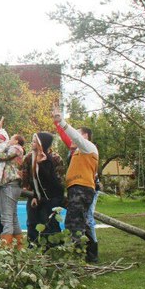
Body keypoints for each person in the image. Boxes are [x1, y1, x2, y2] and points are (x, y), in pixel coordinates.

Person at [52, 106, 99, 264]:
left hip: (82, 189)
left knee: (73, 223)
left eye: (76, 134)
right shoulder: (78, 151)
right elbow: (68, 138)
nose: (72, 138)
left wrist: (63, 122)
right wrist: (57, 124)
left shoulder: (88, 148)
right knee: (82, 222)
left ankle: (76, 257)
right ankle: (91, 255)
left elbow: (75, 138)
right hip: (77, 189)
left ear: (85, 136)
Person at [0, 119, 25, 247]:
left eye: (12, 138)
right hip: (11, 185)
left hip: (10, 185)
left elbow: (0, 156)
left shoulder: (16, 148)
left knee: (6, 217)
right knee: (13, 217)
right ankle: (19, 246)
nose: (9, 140)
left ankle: (5, 248)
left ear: (17, 141)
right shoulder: (13, 148)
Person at [21, 132, 66, 248]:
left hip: (52, 196)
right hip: (35, 193)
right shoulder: (29, 157)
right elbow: (26, 174)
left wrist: (44, 164)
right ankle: (33, 245)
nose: (32, 143)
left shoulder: (55, 158)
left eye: (35, 141)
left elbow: (57, 181)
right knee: (32, 221)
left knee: (50, 222)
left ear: (42, 143)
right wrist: (33, 193)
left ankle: (54, 247)